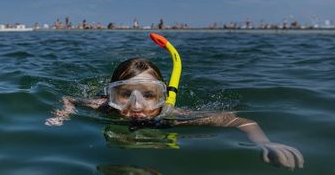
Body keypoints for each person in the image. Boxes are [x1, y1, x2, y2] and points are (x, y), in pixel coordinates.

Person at [46, 57, 303, 170]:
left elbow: (241, 121)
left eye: (148, 95)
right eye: (125, 94)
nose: (136, 106)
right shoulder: (102, 106)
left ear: (163, 96)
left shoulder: (174, 114)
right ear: (111, 95)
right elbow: (70, 98)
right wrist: (63, 113)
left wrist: (265, 143)